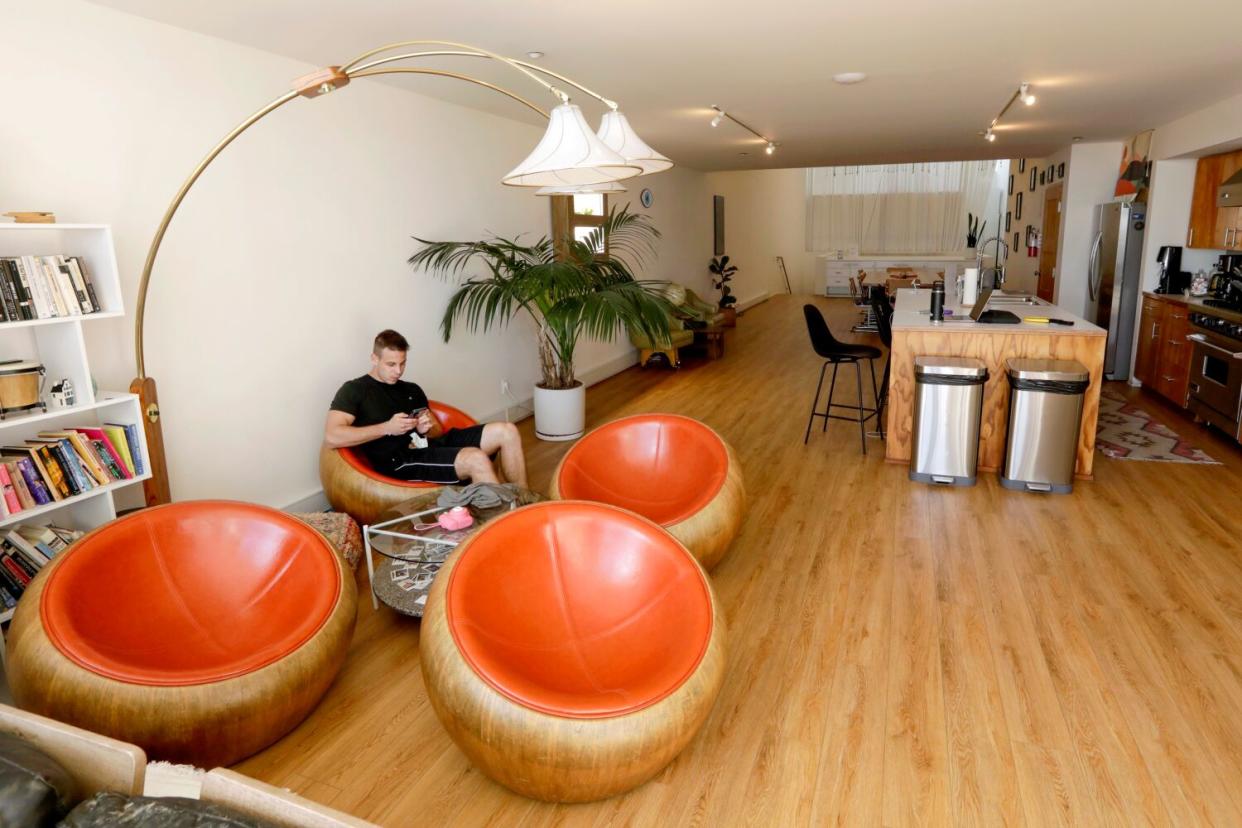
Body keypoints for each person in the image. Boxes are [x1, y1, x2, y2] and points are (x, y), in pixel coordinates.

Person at [324, 329, 527, 487]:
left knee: (507, 431)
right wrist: (387, 428)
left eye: (403, 364)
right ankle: (504, 526)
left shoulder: (411, 389)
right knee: (476, 458)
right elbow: (332, 436)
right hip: (400, 460)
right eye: (391, 364)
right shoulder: (354, 390)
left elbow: (437, 430)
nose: (398, 371)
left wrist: (426, 428)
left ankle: (524, 504)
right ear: (374, 359)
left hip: (431, 445)